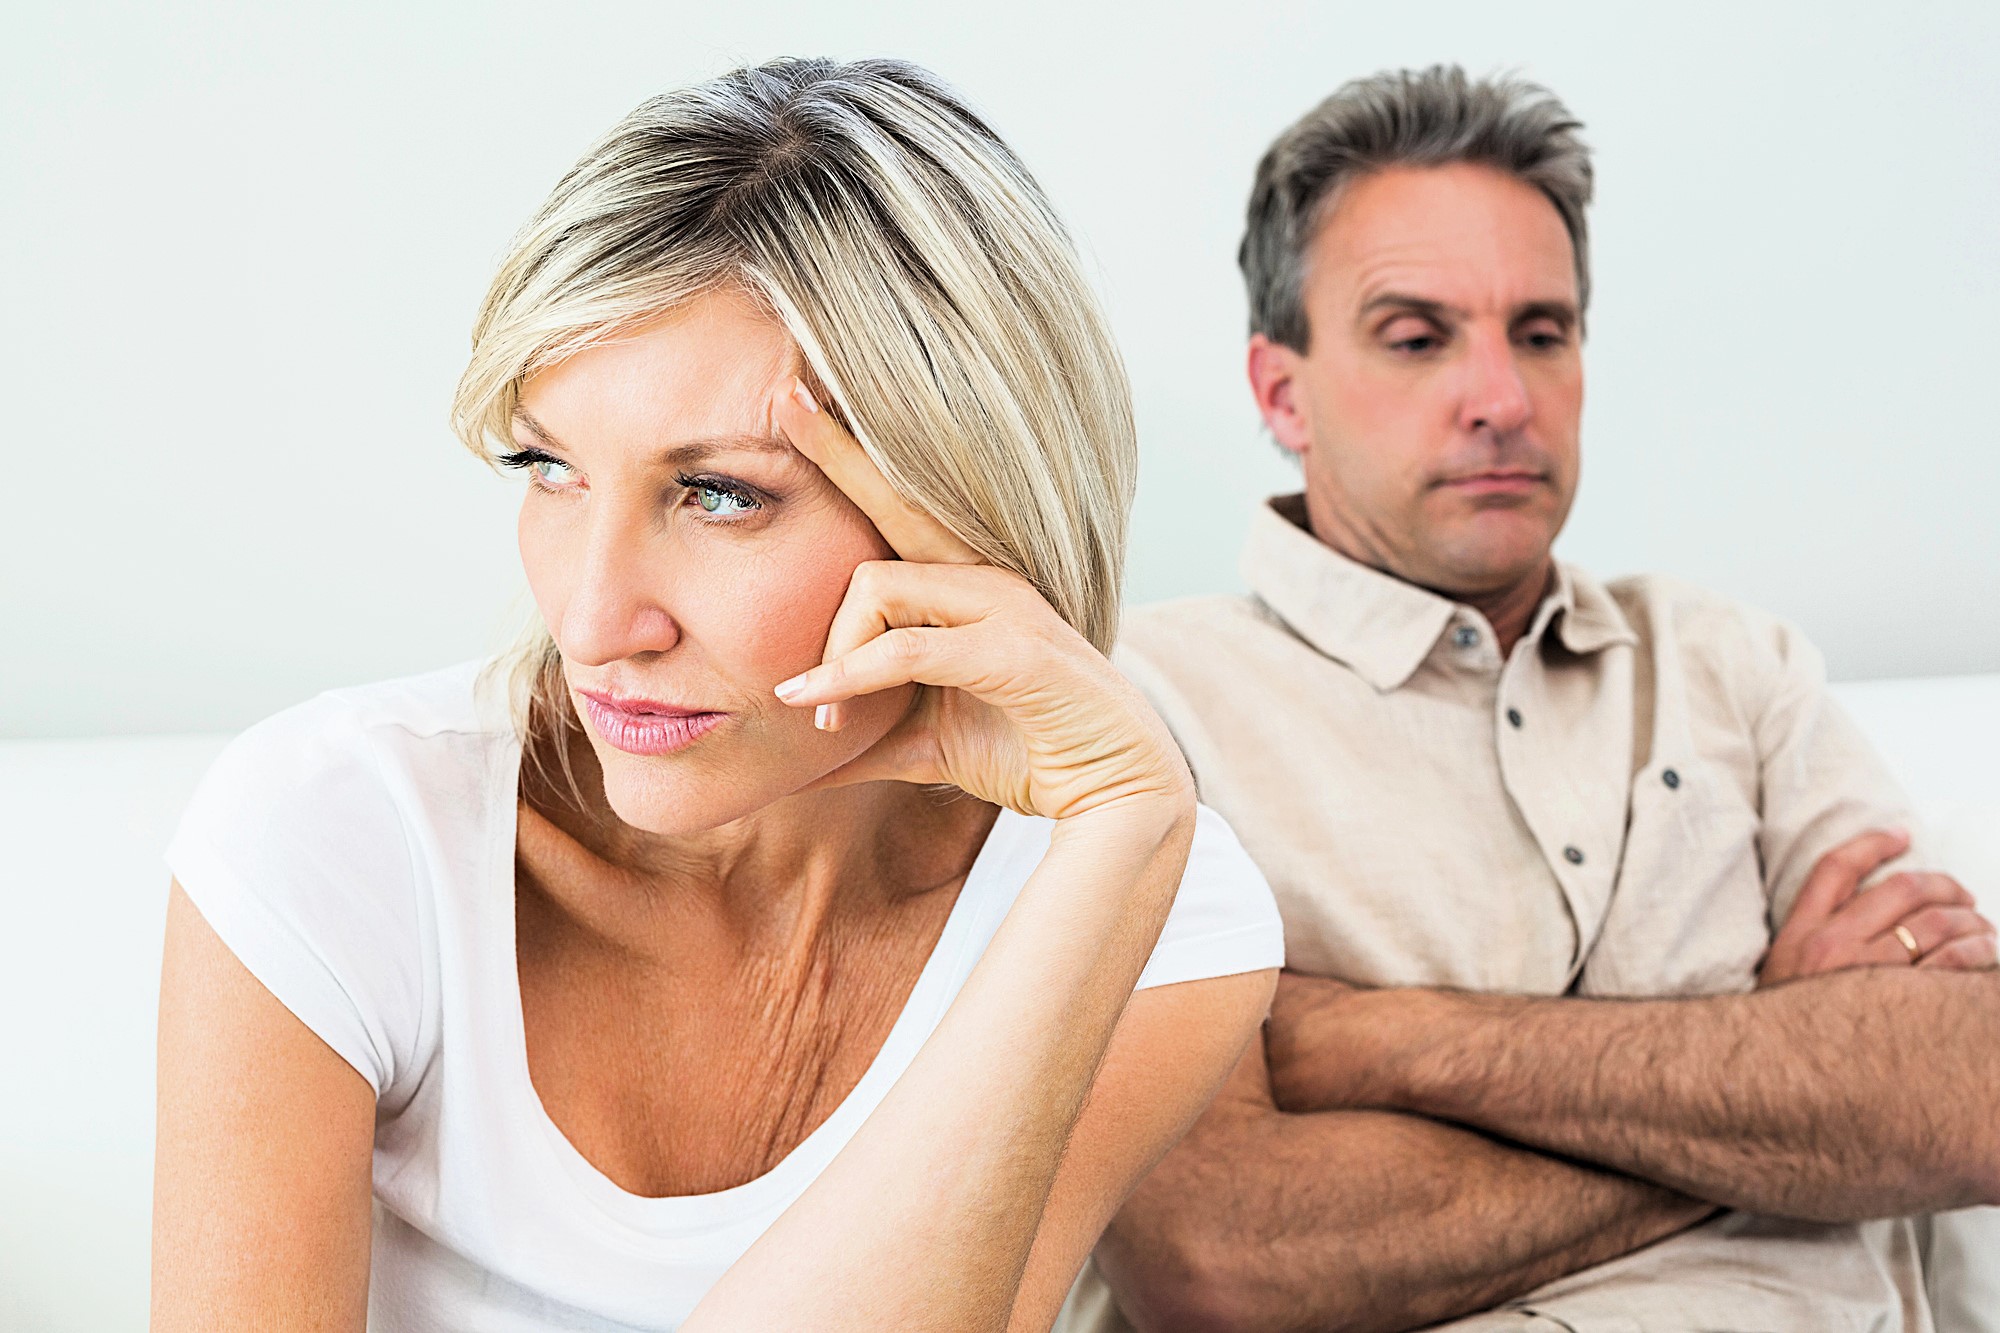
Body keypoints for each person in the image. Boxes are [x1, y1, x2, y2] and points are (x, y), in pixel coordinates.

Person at [150, 58, 1282, 1332]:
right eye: (549, 466)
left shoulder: (1153, 903)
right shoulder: (341, 830)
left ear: (968, 502)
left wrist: (1123, 829)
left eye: (720, 494)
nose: (591, 622)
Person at [1067, 65, 2000, 1332]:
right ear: (1279, 391)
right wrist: (1779, 1069)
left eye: (1541, 332)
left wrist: (1390, 1041)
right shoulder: (1140, 712)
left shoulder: (1732, 662)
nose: (1501, 399)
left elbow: (1967, 1097)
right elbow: (1224, 1256)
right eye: (1415, 336)